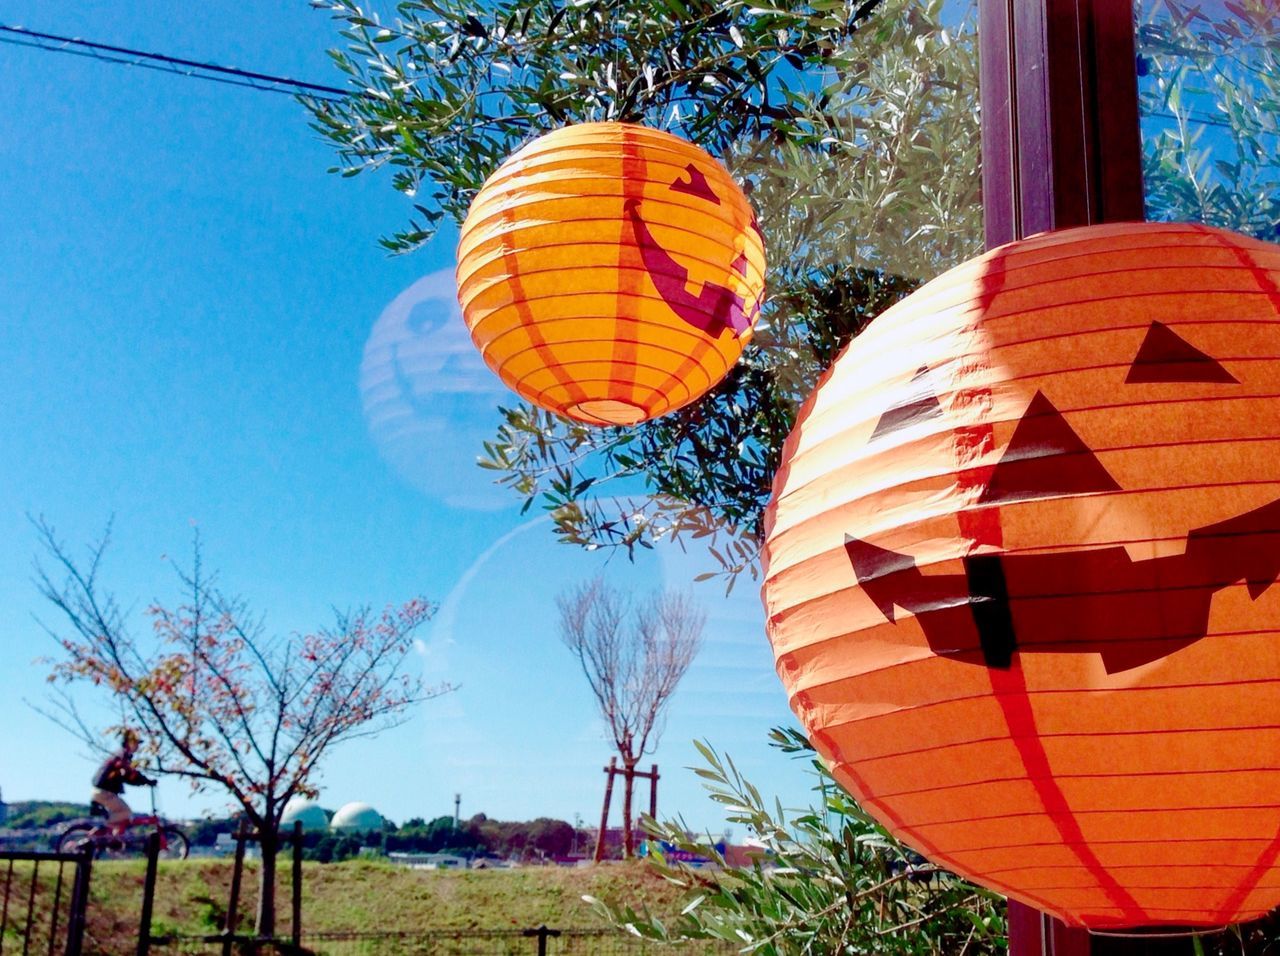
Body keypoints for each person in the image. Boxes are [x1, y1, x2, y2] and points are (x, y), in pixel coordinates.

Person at [90, 730, 155, 836]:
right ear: (128, 742)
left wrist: (143, 782)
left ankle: (114, 839)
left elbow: (127, 777)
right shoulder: (123, 755)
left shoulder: (121, 754)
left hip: (101, 790)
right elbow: (128, 772)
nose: (138, 746)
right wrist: (145, 781)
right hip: (104, 791)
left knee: (121, 817)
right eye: (136, 743)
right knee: (126, 812)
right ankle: (103, 826)